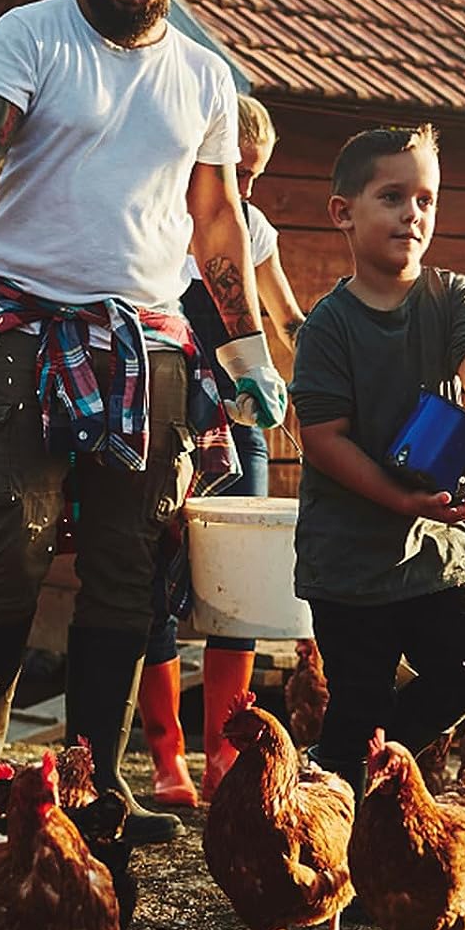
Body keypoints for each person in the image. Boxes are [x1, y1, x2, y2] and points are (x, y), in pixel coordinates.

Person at [0, 0, 287, 844]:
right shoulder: (30, 34)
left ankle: (98, 788)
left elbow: (217, 222)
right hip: (23, 322)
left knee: (128, 562)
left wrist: (247, 353)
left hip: (147, 341)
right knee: (9, 543)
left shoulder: (204, 77)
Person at [290, 124, 465, 797]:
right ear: (344, 212)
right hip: (350, 562)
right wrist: (398, 499)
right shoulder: (328, 326)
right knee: (359, 700)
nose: (412, 214)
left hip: (438, 548)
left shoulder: (450, 295)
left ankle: (353, 768)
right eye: (392, 197)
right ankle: (343, 806)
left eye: (426, 200)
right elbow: (323, 439)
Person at [138, 94, 306, 806]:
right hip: (166, 421)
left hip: (242, 425)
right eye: (240, 172)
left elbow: (286, 317)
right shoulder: (161, 221)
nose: (248, 188)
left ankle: (224, 758)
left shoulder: (254, 228)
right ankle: (167, 757)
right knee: (152, 579)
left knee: (239, 583)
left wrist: (323, 367)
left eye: (258, 174)